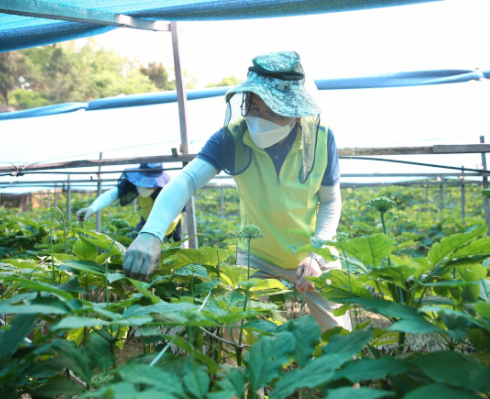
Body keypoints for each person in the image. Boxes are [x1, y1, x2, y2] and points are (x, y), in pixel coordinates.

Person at [122, 51, 351, 331]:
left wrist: (317, 252)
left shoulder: (321, 139)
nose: (260, 120)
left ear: (296, 112)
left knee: (339, 337)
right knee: (238, 334)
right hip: (258, 255)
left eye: (273, 112)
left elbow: (330, 201)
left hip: (314, 252)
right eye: (254, 109)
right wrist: (151, 232)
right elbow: (186, 181)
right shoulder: (232, 139)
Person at [76, 163, 183, 242]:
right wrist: (92, 208)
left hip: (171, 226)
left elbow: (179, 212)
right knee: (131, 246)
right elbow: (114, 193)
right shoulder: (132, 181)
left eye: (150, 184)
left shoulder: (170, 188)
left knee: (172, 257)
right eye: (143, 182)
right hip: (146, 221)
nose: (145, 187)